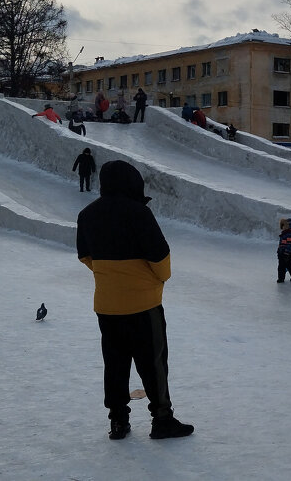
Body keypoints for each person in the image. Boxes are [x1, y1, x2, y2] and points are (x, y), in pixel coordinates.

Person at [76, 160, 193, 440]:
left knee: (114, 365)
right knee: (152, 363)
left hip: (107, 306)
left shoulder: (87, 214)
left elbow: (85, 256)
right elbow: (160, 258)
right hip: (143, 305)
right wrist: (156, 280)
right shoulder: (139, 213)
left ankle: (118, 421)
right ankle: (162, 419)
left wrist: (111, 277)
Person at [277, 217, 291, 283]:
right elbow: (281, 244)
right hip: (281, 253)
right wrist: (279, 250)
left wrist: (287, 252)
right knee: (281, 267)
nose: (282, 227)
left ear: (288, 226)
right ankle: (281, 278)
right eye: (282, 225)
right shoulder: (283, 234)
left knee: (289, 265)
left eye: (284, 225)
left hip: (287, 253)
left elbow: (290, 245)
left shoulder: (289, 235)